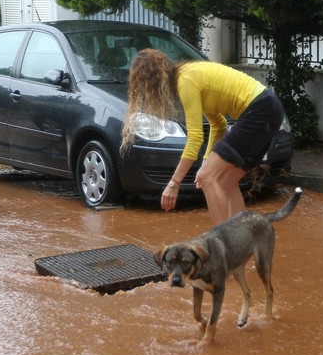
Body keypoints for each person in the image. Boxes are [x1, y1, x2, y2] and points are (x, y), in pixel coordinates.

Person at [120, 49, 285, 225]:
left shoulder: (186, 82)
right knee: (227, 181)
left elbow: (195, 138)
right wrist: (206, 160)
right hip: (269, 108)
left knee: (207, 177)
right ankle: (240, 238)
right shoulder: (189, 76)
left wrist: (174, 183)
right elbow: (218, 124)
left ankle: (223, 242)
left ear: (154, 80)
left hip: (259, 110)